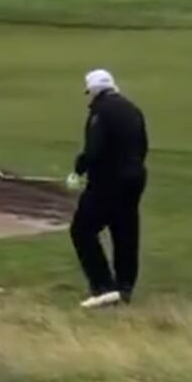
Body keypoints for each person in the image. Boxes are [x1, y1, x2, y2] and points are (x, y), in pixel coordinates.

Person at [69, 69, 149, 310]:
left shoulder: (100, 113)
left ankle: (103, 286)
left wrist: (79, 168)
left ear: (94, 91)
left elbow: (94, 149)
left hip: (107, 182)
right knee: (125, 231)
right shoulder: (133, 109)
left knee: (81, 229)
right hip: (135, 180)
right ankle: (124, 288)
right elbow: (143, 146)